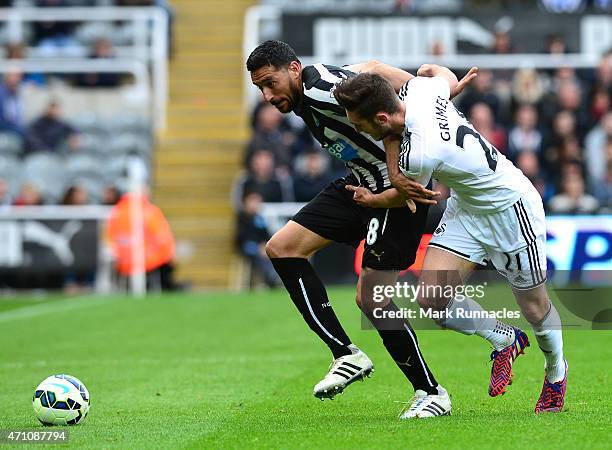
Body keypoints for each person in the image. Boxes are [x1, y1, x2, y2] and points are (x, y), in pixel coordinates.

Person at [246, 40, 475, 418]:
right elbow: (372, 65)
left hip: (394, 188)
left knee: (372, 298)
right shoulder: (313, 89)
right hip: (360, 183)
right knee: (282, 247)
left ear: (293, 69)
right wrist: (432, 93)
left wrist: (431, 102)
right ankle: (345, 353)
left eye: (270, 83)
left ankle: (431, 393)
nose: (268, 96)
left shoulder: (321, 91)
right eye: (260, 89)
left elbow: (391, 117)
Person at [333, 66, 568, 414]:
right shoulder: (422, 92)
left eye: (359, 124)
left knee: (535, 308)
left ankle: (555, 373)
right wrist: (436, 76)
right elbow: (437, 72)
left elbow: (406, 196)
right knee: (430, 298)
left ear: (382, 117)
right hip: (466, 208)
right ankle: (504, 338)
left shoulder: (420, 152)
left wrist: (370, 199)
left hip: (511, 209)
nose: (357, 130)